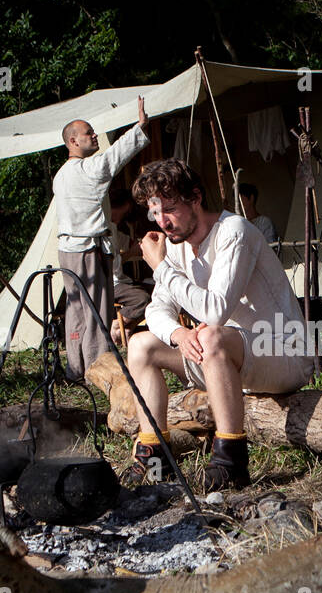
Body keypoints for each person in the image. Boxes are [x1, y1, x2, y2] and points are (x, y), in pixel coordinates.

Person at [127, 159, 312, 490]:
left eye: (170, 209)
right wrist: (178, 333)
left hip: (282, 352)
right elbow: (156, 309)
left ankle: (230, 463)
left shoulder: (234, 232)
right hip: (223, 361)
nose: (163, 222)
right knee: (141, 345)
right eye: (156, 212)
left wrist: (161, 269)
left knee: (210, 334)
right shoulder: (174, 246)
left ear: (195, 198)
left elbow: (215, 312)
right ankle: (155, 460)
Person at [55, 96, 150, 380]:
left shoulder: (60, 175)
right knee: (97, 311)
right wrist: (140, 127)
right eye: (88, 133)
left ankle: (76, 367)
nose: (94, 135)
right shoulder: (88, 170)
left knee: (76, 310)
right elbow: (115, 157)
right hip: (88, 251)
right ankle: (99, 370)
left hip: (68, 251)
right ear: (73, 141)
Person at [108, 188, 152, 339]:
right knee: (142, 299)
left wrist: (141, 244)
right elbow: (110, 264)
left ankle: (126, 329)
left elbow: (126, 241)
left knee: (157, 293)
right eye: (123, 212)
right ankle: (114, 325)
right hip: (110, 283)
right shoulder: (102, 229)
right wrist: (131, 253)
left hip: (121, 282)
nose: (122, 218)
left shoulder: (113, 227)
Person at [237, 182, 278, 246]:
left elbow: (269, 247)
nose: (239, 202)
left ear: (251, 198)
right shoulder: (239, 223)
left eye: (241, 198)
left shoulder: (264, 222)